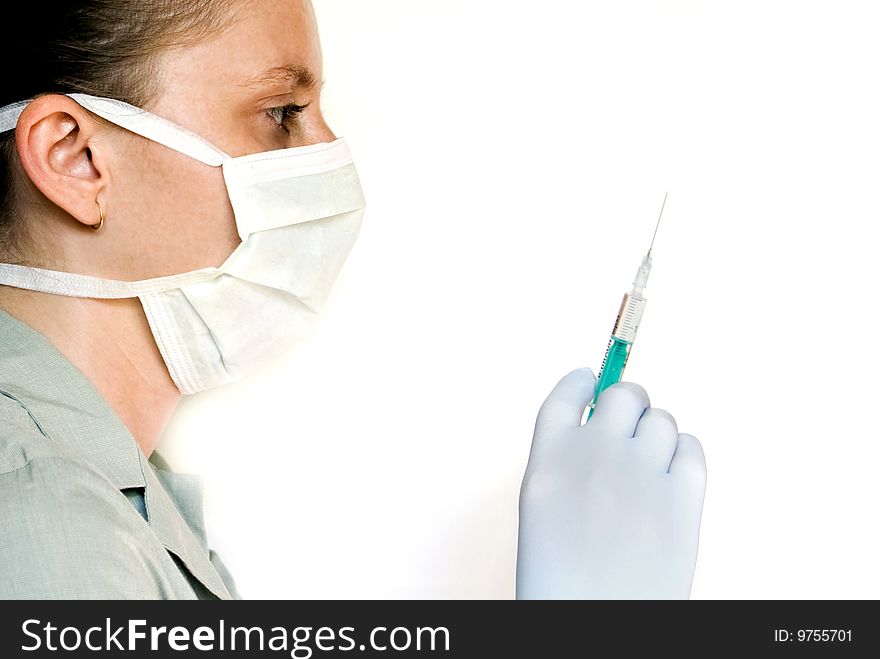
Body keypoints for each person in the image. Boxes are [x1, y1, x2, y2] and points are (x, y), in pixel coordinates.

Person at [0, 0, 706, 600]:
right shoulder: (45, 516)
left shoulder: (123, 498)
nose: (331, 155)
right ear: (75, 159)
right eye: (282, 113)